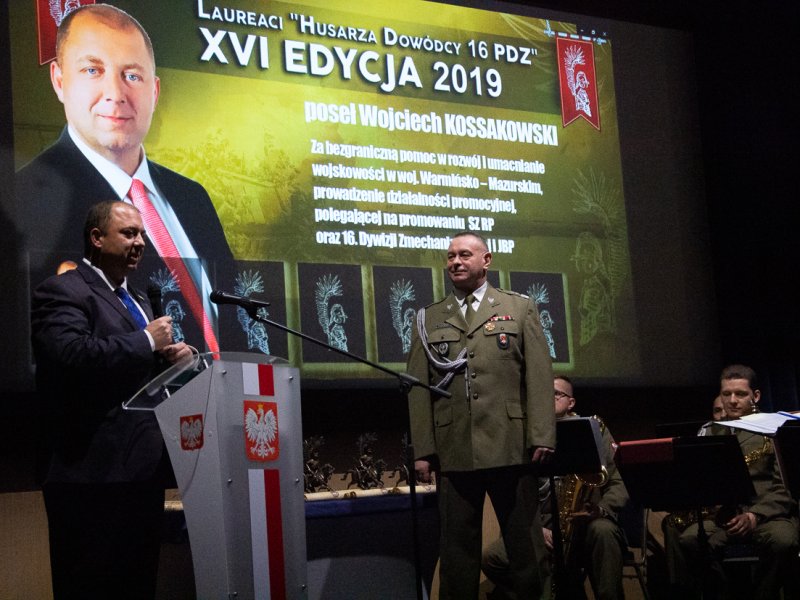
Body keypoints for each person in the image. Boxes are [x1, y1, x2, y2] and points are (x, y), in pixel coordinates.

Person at [15, 3, 232, 352]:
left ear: (154, 92)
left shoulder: (193, 197)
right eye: (92, 70)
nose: (115, 95)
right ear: (59, 81)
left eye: (132, 76)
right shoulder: (22, 200)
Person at [31, 200, 193, 599]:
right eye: (129, 233)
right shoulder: (63, 290)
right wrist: (146, 341)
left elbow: (133, 368)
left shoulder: (136, 298)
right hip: (90, 475)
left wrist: (173, 359)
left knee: (137, 585)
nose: (140, 242)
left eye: (142, 234)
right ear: (97, 238)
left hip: (142, 471)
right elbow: (70, 355)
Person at [406, 231, 556, 599]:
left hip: (511, 445)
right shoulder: (428, 317)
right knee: (457, 557)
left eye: (464, 255)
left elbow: (539, 376)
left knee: (527, 550)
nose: (455, 262)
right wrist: (424, 449)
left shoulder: (518, 308)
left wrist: (541, 434)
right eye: (450, 256)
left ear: (486, 261)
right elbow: (418, 387)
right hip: (454, 448)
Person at [482, 375, 630, 600]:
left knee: (603, 532)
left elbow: (618, 484)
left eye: (556, 394)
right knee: (492, 558)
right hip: (542, 528)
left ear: (571, 402)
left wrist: (600, 510)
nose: (548, 398)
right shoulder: (526, 433)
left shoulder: (595, 429)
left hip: (585, 523)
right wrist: (535, 529)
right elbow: (514, 492)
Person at [673, 364, 799, 599]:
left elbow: (786, 487)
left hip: (768, 514)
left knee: (784, 541)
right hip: (724, 516)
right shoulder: (710, 432)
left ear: (756, 396)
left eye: (740, 394)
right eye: (726, 394)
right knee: (690, 540)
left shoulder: (774, 430)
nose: (732, 401)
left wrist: (754, 515)